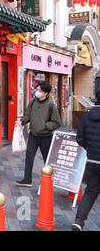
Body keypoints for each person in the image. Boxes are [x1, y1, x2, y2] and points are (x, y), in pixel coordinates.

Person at [16, 81, 62, 187]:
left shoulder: (51, 106)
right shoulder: (32, 102)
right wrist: (22, 121)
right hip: (33, 135)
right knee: (29, 157)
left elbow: (57, 123)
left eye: (39, 91)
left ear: (45, 93)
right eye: (36, 90)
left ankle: (49, 181)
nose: (37, 92)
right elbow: (27, 115)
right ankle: (27, 180)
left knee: (47, 159)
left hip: (46, 137)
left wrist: (44, 126)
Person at [72, 89, 100, 231]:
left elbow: (79, 138)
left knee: (90, 192)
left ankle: (79, 221)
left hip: (92, 161)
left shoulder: (88, 117)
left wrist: (90, 149)